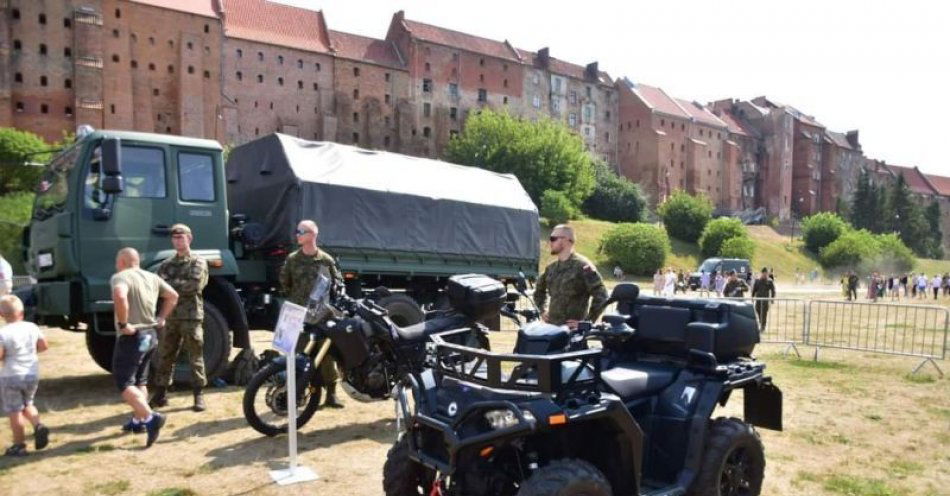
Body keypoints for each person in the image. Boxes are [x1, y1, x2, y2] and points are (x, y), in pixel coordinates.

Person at [111, 248, 178, 447]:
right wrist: (161, 318)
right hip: (150, 334)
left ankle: (150, 418)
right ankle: (138, 421)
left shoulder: (120, 277)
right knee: (141, 379)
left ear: (122, 261)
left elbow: (120, 296)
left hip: (133, 335)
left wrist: (123, 324)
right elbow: (173, 296)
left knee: (124, 382)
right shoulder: (151, 277)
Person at [279, 220, 345, 408]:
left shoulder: (326, 260)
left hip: (321, 315)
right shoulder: (292, 260)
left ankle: (331, 395)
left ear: (312, 235)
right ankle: (299, 393)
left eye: (301, 231)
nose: (297, 234)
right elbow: (285, 283)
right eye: (297, 231)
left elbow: (336, 285)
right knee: (298, 353)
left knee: (326, 355)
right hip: (297, 315)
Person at [150, 224, 210, 412]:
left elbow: (194, 285)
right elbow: (159, 286)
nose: (178, 241)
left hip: (191, 316)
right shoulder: (166, 264)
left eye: (181, 237)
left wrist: (171, 287)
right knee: (165, 354)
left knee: (195, 354)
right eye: (175, 238)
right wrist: (173, 287)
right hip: (172, 316)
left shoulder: (198, 262)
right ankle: (160, 393)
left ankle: (198, 394)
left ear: (189, 239)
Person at [0, 295, 50, 456]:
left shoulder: (3, 333)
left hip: (11, 375)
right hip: (31, 373)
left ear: (1, 315)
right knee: (28, 403)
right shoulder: (32, 327)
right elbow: (43, 346)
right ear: (22, 312)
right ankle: (37, 425)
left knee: (15, 410)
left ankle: (19, 444)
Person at [535, 225, 609, 330]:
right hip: (552, 330)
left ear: (566, 240)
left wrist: (587, 322)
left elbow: (602, 296)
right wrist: (542, 310)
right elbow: (539, 291)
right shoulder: (551, 268)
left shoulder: (583, 266)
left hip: (573, 334)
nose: (550, 242)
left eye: (553, 238)